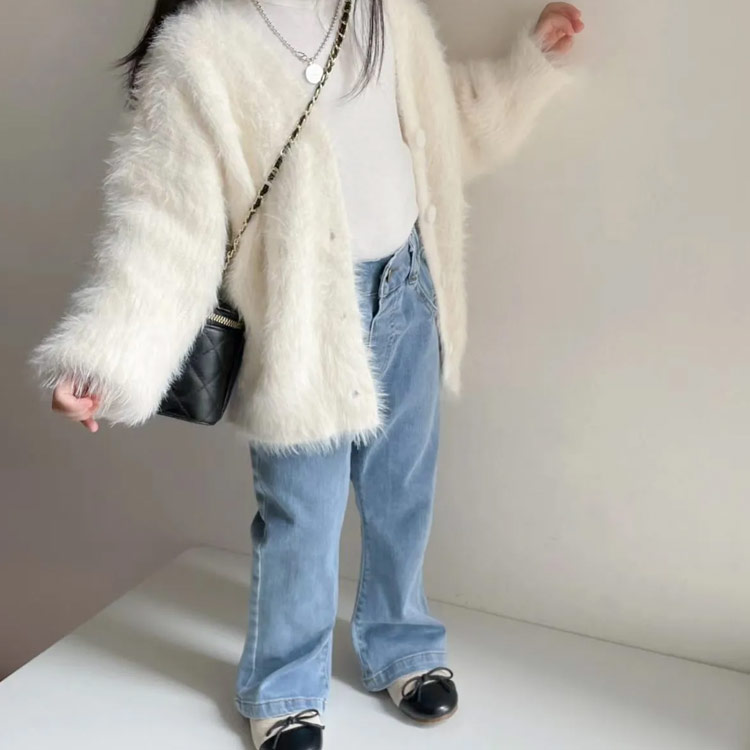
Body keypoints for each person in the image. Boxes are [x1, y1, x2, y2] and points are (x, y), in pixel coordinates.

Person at [31, 0, 584, 747]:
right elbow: (166, 218)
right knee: (302, 512)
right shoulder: (202, 48)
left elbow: (439, 129)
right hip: (298, 314)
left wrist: (528, 65)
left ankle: (403, 642)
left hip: (407, 288)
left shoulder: (383, 11)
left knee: (403, 492)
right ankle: (285, 687)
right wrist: (108, 354)